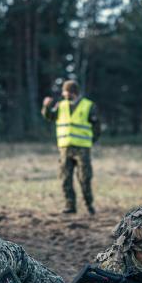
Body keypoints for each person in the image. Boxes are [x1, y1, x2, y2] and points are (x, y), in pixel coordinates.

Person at [42, 80, 100, 215]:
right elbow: (50, 117)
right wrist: (46, 107)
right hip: (65, 149)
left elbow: (96, 127)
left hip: (82, 149)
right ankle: (70, 206)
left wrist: (91, 141)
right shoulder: (60, 105)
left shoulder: (88, 106)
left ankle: (89, 204)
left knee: (84, 178)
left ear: (72, 92)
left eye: (65, 91)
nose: (63, 94)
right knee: (65, 178)